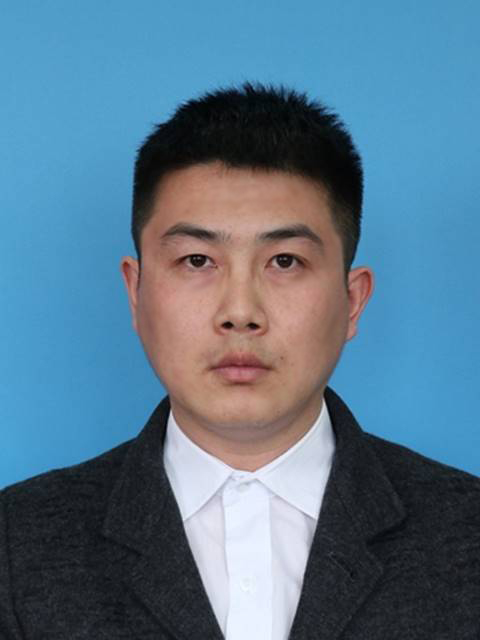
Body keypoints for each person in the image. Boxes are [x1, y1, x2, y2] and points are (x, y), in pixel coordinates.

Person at [0, 84, 479, 640]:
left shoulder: (466, 534)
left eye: (285, 261)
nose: (240, 312)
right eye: (197, 260)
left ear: (352, 301)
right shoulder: (16, 545)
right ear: (136, 292)